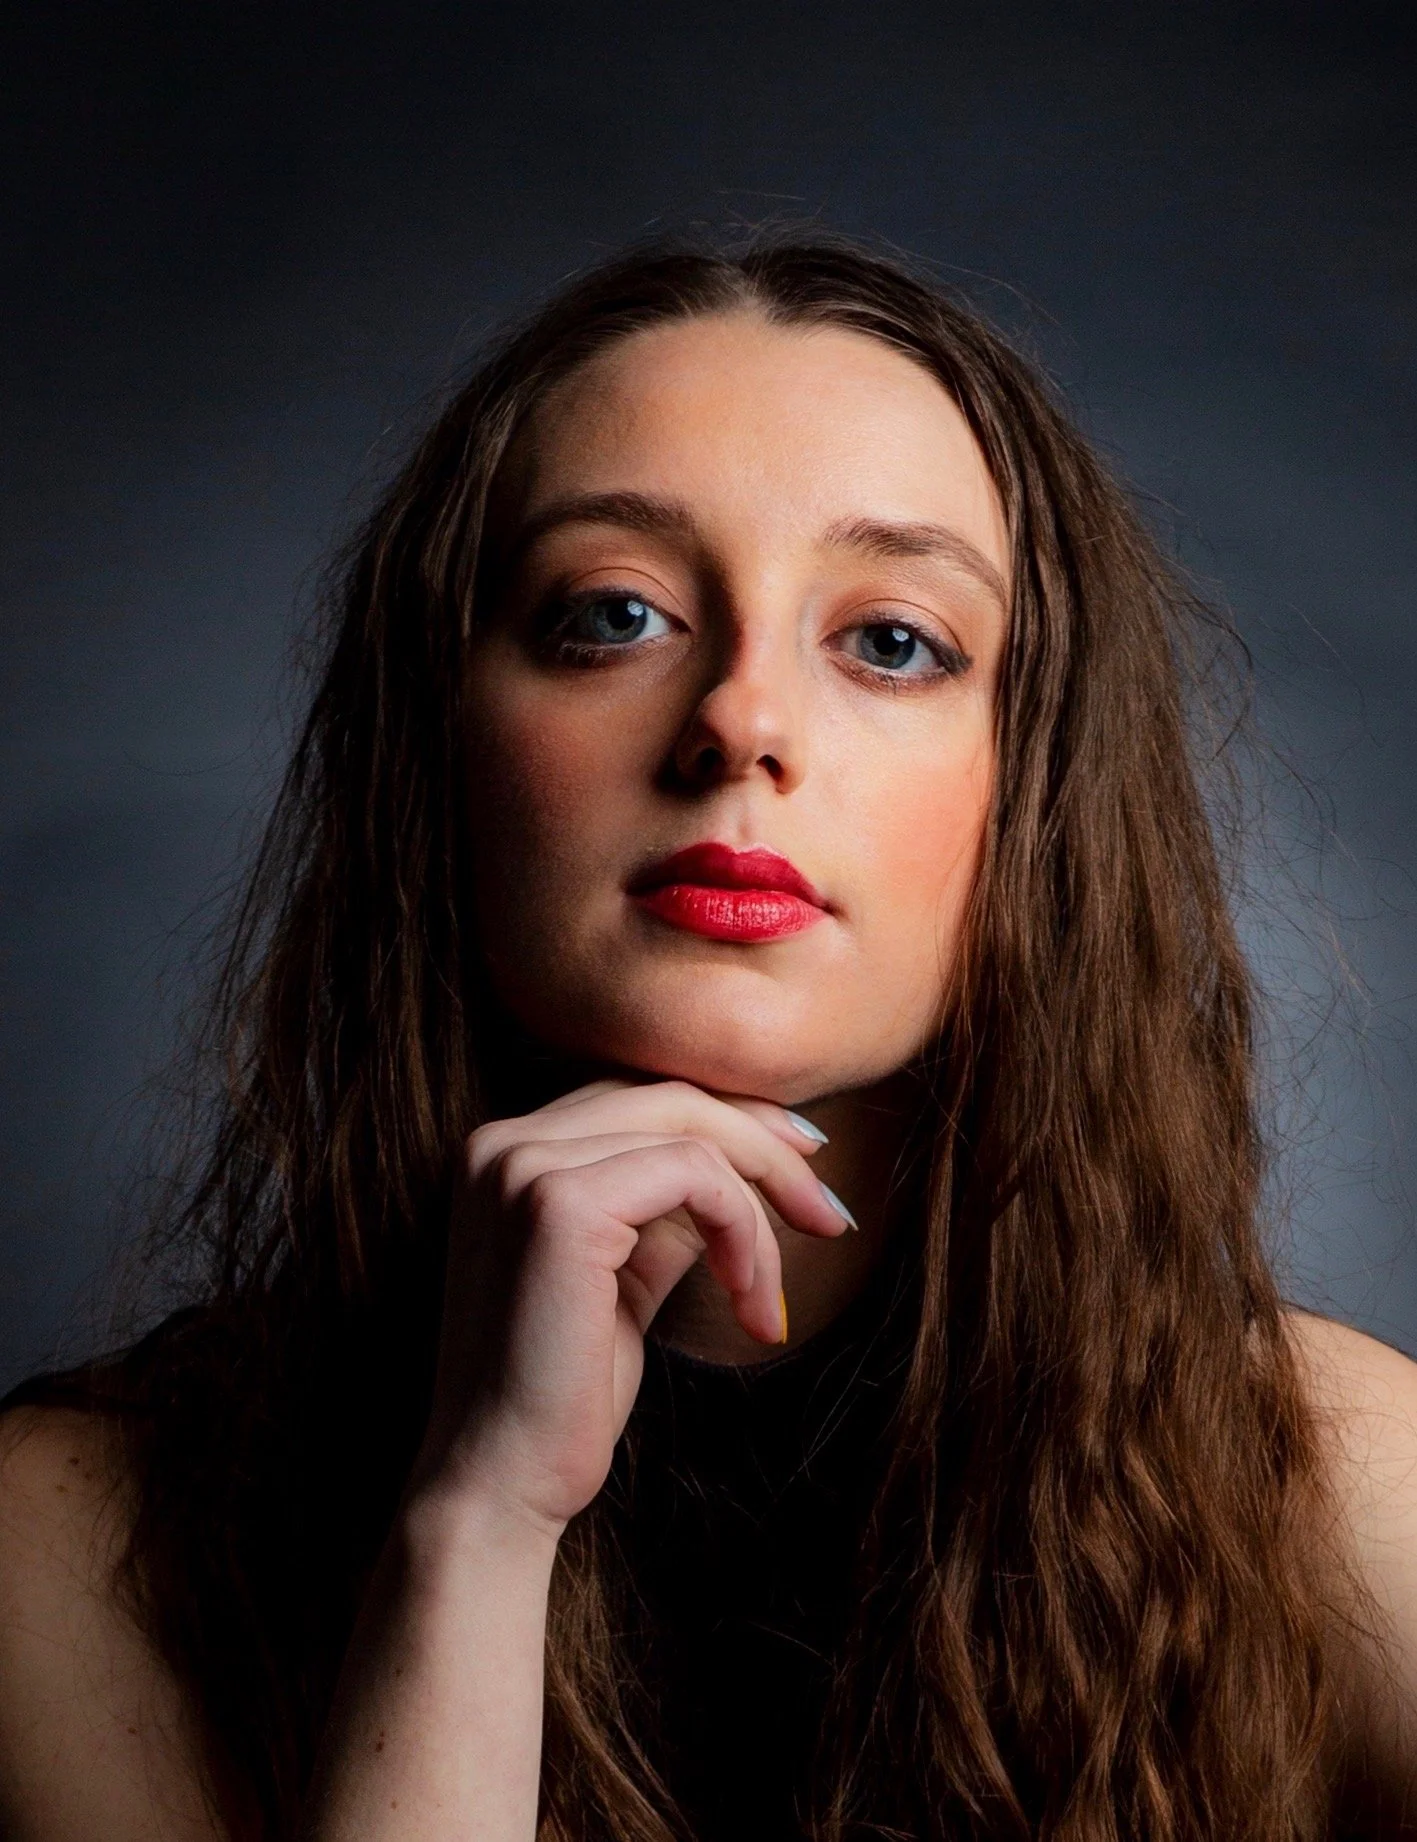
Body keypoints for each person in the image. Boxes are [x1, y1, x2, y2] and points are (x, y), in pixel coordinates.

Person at [0, 236, 1413, 1842]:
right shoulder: (70, 1550)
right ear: (439, 746)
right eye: (616, 613)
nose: (742, 717)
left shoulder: (1341, 1497)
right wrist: (475, 1524)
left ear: (1038, 793)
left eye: (893, 640)